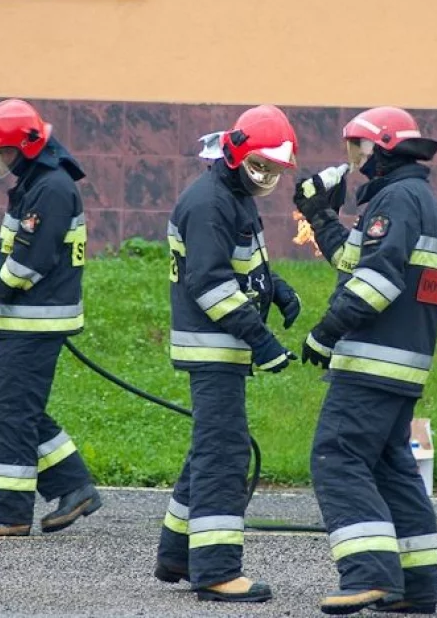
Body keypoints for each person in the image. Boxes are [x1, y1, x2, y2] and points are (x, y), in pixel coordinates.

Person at [293, 107, 437, 615]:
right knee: (390, 467)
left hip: (373, 361)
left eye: (358, 148)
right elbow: (355, 261)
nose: (354, 160)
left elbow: (377, 281)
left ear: (382, 147)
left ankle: (368, 575)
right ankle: (415, 585)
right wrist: (320, 217)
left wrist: (325, 332)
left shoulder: (396, 199)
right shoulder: (412, 197)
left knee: (337, 456)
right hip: (401, 363)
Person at [154, 104, 302, 603]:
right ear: (234, 155)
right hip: (213, 347)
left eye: (273, 170)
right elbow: (211, 284)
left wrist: (277, 289)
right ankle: (216, 570)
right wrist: (262, 341)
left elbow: (242, 264)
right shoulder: (210, 203)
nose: (265, 178)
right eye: (259, 167)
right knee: (223, 455)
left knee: (209, 449)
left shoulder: (233, 195)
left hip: (221, 348)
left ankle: (178, 554)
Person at [0, 98, 101, 537]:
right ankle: (74, 487)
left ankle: (7, 513)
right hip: (25, 320)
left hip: (33, 322)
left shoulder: (50, 188)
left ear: (27, 146)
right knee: (21, 411)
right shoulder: (40, 183)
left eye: (3, 151)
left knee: (11, 415)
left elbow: (33, 260)